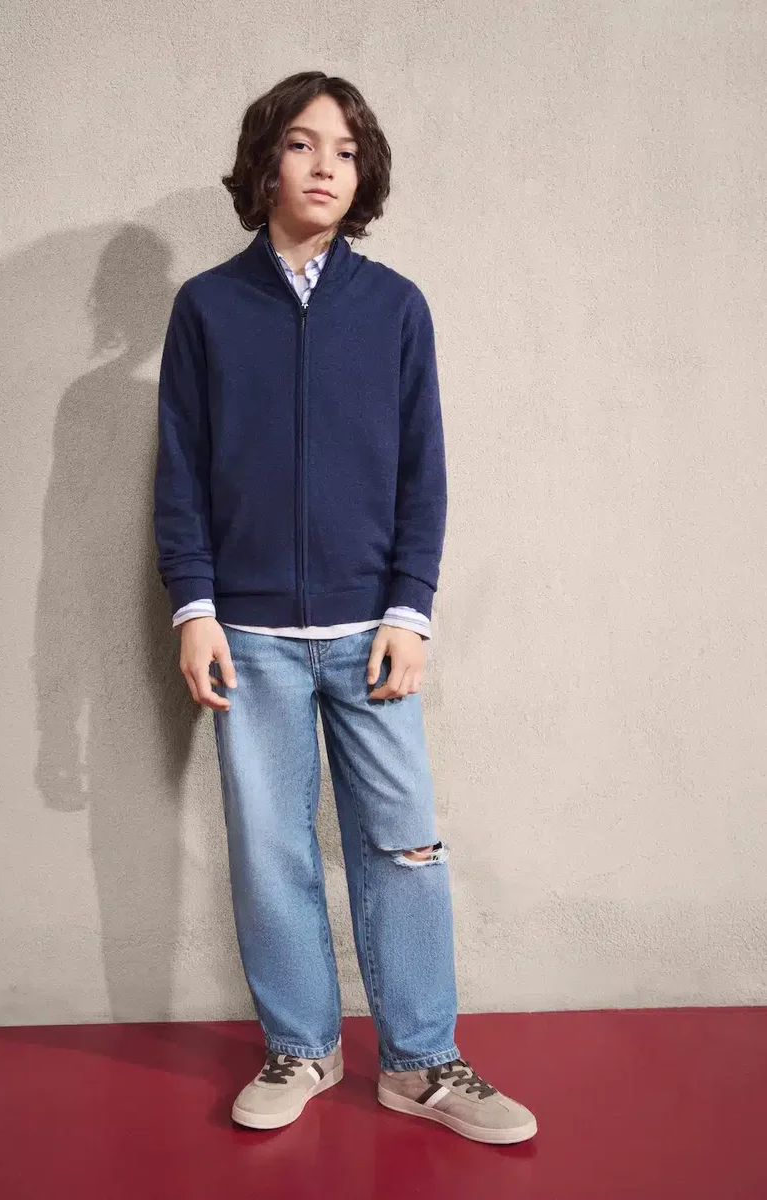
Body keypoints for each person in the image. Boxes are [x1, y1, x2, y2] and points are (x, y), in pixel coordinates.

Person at [153, 70, 537, 1145]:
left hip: (373, 632)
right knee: (270, 850)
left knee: (403, 846)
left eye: (348, 151)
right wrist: (193, 607)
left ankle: (420, 1063)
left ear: (363, 175)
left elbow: (425, 474)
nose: (326, 166)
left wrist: (410, 612)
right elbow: (180, 474)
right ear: (264, 161)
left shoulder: (395, 308)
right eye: (302, 144)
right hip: (250, 638)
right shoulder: (207, 309)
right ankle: (302, 1047)